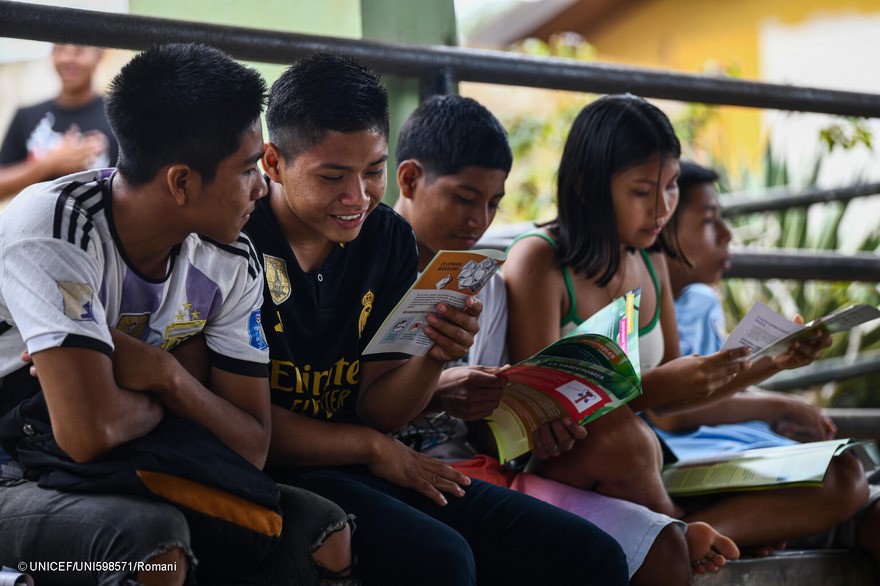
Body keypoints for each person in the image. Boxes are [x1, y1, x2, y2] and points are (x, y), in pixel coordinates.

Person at [244, 53, 629, 586]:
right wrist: (376, 449)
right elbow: (249, 425)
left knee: (593, 555)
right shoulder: (241, 240)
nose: (357, 197)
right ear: (274, 162)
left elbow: (379, 406)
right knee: (441, 559)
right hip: (277, 471)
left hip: (368, 462)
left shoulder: (387, 239)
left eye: (372, 171)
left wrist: (434, 354)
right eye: (333, 176)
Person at [0, 43, 354, 585]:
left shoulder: (231, 257)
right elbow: (87, 432)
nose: (263, 186)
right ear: (181, 182)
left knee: (319, 528)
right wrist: (181, 391)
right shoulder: (55, 226)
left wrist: (164, 376)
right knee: (150, 543)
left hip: (136, 453)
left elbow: (252, 445)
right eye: (246, 169)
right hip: (12, 457)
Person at [390, 93, 738, 584]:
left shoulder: (483, 281)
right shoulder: (369, 269)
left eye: (493, 204)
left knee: (662, 550)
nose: (479, 220)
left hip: (485, 467)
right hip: (408, 474)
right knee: (613, 500)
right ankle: (680, 524)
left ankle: (677, 530)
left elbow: (494, 433)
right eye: (465, 199)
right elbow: (356, 406)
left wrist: (533, 419)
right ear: (408, 179)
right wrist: (440, 391)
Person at [503, 93, 869, 559]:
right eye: (641, 192)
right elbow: (544, 417)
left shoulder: (652, 258)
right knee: (625, 438)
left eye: (671, 186)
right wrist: (654, 388)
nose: (662, 208)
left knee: (844, 474)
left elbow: (676, 411)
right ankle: (685, 538)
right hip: (577, 466)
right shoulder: (539, 260)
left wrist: (766, 365)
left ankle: (692, 537)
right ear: (585, 186)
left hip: (648, 469)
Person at [653, 159, 880, 572]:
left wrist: (772, 393)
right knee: (846, 478)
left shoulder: (692, 300)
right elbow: (672, 410)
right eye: (708, 221)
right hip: (705, 467)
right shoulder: (675, 300)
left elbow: (713, 390)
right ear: (663, 224)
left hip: (744, 459)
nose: (726, 234)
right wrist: (780, 405)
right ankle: (675, 543)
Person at [0, 44, 118, 201]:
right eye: (59, 49)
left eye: (79, 51)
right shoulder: (27, 115)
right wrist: (49, 164)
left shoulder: (118, 118)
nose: (67, 59)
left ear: (99, 56)